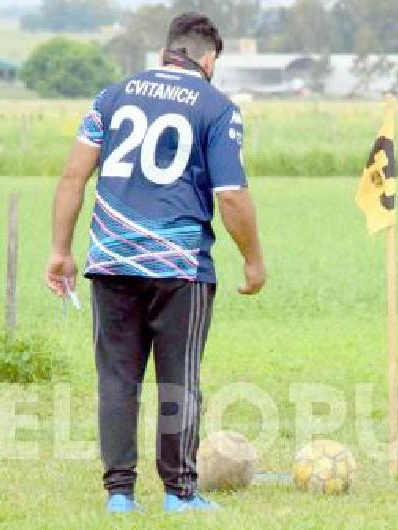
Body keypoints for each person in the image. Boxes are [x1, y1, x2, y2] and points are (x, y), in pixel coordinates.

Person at [43, 12, 265, 513]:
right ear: (208, 59)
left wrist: (61, 251)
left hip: (111, 260)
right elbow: (231, 196)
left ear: (168, 50)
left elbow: (72, 178)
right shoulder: (218, 107)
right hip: (179, 267)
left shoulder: (110, 96)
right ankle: (179, 494)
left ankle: (119, 495)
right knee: (178, 379)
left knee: (117, 379)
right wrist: (253, 260)